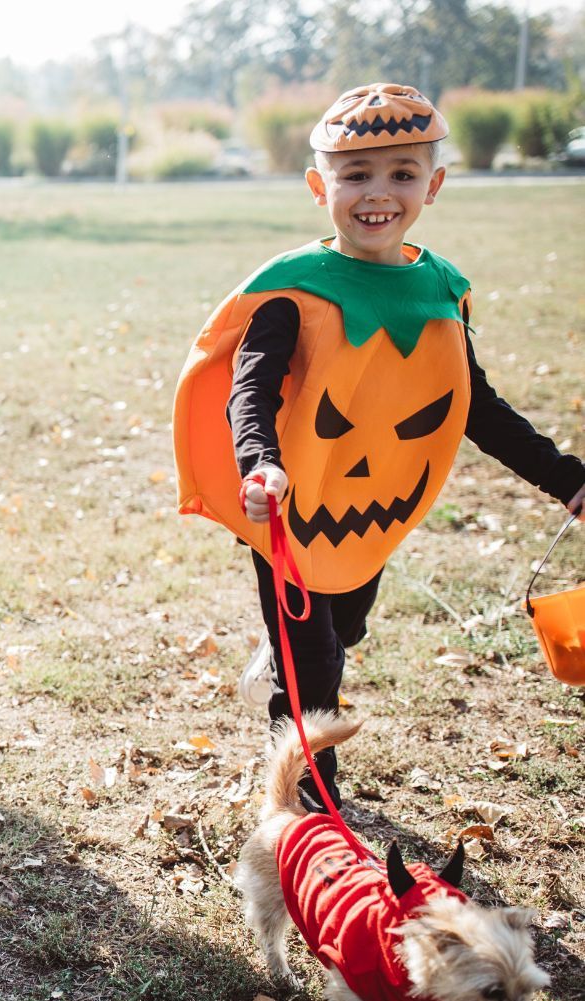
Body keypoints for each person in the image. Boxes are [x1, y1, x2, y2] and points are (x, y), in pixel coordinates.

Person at [173, 83, 585, 809]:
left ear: (435, 184)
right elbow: (252, 386)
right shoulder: (293, 291)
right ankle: (308, 807)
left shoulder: (440, 291)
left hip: (369, 511)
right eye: (355, 174)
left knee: (345, 628)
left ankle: (290, 658)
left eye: (401, 173)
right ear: (318, 185)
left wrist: (565, 478)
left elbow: (472, 406)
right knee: (314, 671)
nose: (377, 194)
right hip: (291, 510)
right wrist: (257, 462)